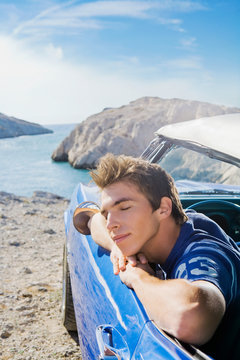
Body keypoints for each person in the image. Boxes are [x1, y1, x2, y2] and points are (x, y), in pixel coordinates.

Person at [75, 153, 240, 360]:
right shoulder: (187, 221)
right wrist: (116, 246)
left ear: (163, 208)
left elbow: (191, 318)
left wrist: (137, 277)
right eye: (108, 213)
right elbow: (90, 219)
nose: (110, 224)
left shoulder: (202, 256)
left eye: (124, 208)